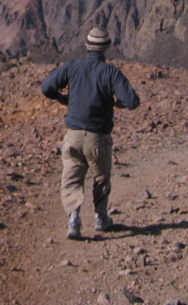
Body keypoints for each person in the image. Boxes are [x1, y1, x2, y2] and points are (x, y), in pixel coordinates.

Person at [41, 26, 140, 240]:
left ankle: (74, 219)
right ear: (106, 48)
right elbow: (133, 102)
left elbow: (46, 87)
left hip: (73, 135)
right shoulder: (111, 73)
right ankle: (101, 218)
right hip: (98, 138)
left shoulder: (72, 67)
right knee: (101, 178)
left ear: (87, 46)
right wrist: (117, 103)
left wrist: (63, 99)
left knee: (72, 177)